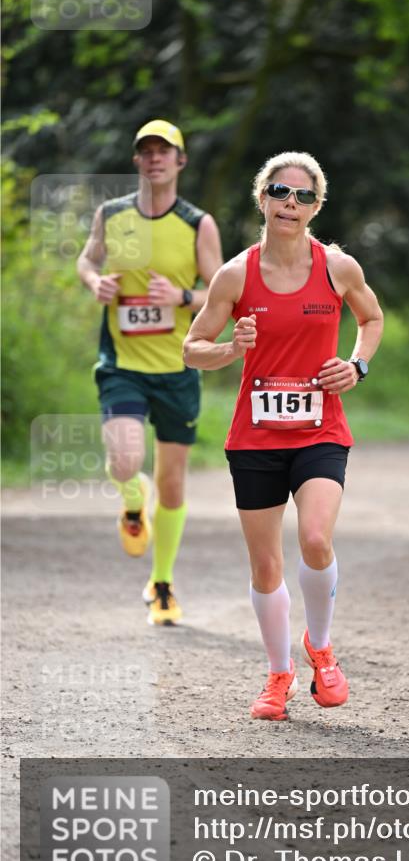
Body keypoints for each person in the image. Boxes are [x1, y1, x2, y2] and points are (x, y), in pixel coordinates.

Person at [183, 152, 384, 720]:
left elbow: (371, 320)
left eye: (301, 196)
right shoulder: (236, 274)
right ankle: (278, 676)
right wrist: (232, 348)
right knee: (266, 567)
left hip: (320, 428)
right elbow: (192, 348)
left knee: (316, 539)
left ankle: (320, 649)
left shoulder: (337, 267)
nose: (289, 204)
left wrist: (357, 365)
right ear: (262, 199)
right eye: (279, 192)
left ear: (317, 206)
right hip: (254, 436)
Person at [77, 120, 223, 625]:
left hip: (179, 366)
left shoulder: (197, 224)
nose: (155, 158)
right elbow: (86, 260)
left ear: (180, 161)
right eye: (147, 151)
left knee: (174, 482)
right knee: (124, 460)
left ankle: (162, 584)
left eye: (165, 151)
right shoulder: (112, 215)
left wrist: (181, 297)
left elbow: (221, 293)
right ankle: (132, 500)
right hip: (122, 364)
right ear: (137, 160)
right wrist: (95, 281)